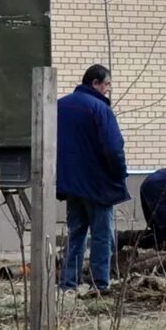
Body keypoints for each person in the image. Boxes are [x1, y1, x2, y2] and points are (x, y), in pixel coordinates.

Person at [54, 63, 127, 295]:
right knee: (101, 236)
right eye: (106, 85)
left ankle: (69, 283)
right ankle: (100, 283)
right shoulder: (100, 109)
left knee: (75, 234)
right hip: (98, 184)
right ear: (95, 83)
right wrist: (118, 174)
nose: (108, 90)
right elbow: (114, 148)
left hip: (71, 184)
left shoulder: (59, 106)